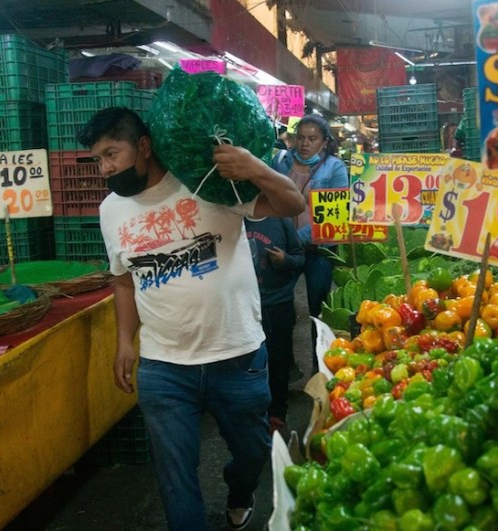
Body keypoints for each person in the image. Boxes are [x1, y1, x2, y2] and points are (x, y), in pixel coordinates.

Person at [77, 107, 304, 531]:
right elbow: (123, 280)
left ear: (143, 147)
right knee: (175, 477)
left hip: (236, 354)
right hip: (164, 367)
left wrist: (255, 167)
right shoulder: (111, 210)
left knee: (252, 452)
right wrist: (126, 341)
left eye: (112, 154)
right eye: (98, 160)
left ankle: (240, 490)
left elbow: (293, 202)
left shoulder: (205, 182)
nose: (106, 168)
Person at [271, 114, 349, 364]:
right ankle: (286, 366)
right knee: (281, 308)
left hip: (319, 251)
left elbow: (335, 216)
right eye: (301, 138)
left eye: (312, 139)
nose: (305, 144)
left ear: (324, 142)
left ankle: (320, 368)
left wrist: (296, 238)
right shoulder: (280, 163)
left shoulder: (334, 168)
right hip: (285, 250)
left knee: (319, 312)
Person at [245, 216, 304, 433]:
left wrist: (285, 260)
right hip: (245, 306)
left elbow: (300, 258)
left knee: (279, 360)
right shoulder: (234, 219)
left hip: (278, 304)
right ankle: (254, 415)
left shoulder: (281, 221)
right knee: (249, 362)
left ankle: (277, 414)